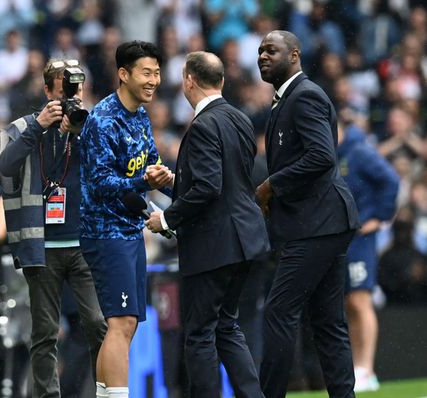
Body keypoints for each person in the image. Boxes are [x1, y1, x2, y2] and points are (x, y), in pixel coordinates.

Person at [146, 51, 269, 397]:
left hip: (214, 245)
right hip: (246, 240)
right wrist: (175, 182)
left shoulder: (202, 126)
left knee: (199, 333)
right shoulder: (240, 119)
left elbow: (208, 189)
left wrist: (166, 217)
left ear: (188, 80)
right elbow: (230, 183)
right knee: (227, 328)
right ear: (222, 81)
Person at [255, 30, 360, 398]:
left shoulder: (305, 96)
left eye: (272, 50)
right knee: (328, 321)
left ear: (295, 55)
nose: (263, 56)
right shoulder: (286, 99)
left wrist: (271, 185)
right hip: (321, 223)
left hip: (318, 224)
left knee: (279, 311)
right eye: (260, 51)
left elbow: (322, 156)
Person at [0, 58, 107, 398]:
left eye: (75, 91)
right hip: (41, 246)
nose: (70, 99)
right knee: (45, 332)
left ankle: (105, 392)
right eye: (63, 92)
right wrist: (38, 127)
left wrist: (83, 131)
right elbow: (5, 166)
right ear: (47, 91)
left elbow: (109, 166)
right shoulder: (21, 127)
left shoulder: (91, 124)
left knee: (98, 325)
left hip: (83, 243)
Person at [79, 41, 172, 398]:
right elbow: (101, 184)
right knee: (121, 322)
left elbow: (149, 162)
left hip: (130, 230)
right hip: (105, 232)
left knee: (126, 325)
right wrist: (143, 180)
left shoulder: (140, 116)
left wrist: (160, 178)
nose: (154, 80)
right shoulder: (103, 120)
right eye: (147, 72)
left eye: (157, 73)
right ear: (123, 74)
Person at [337, 121, 399, 392]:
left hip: (361, 239)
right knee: (350, 302)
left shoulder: (359, 151)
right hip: (346, 238)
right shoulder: (336, 154)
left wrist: (380, 217)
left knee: (361, 300)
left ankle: (367, 368)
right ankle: (356, 367)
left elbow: (391, 180)